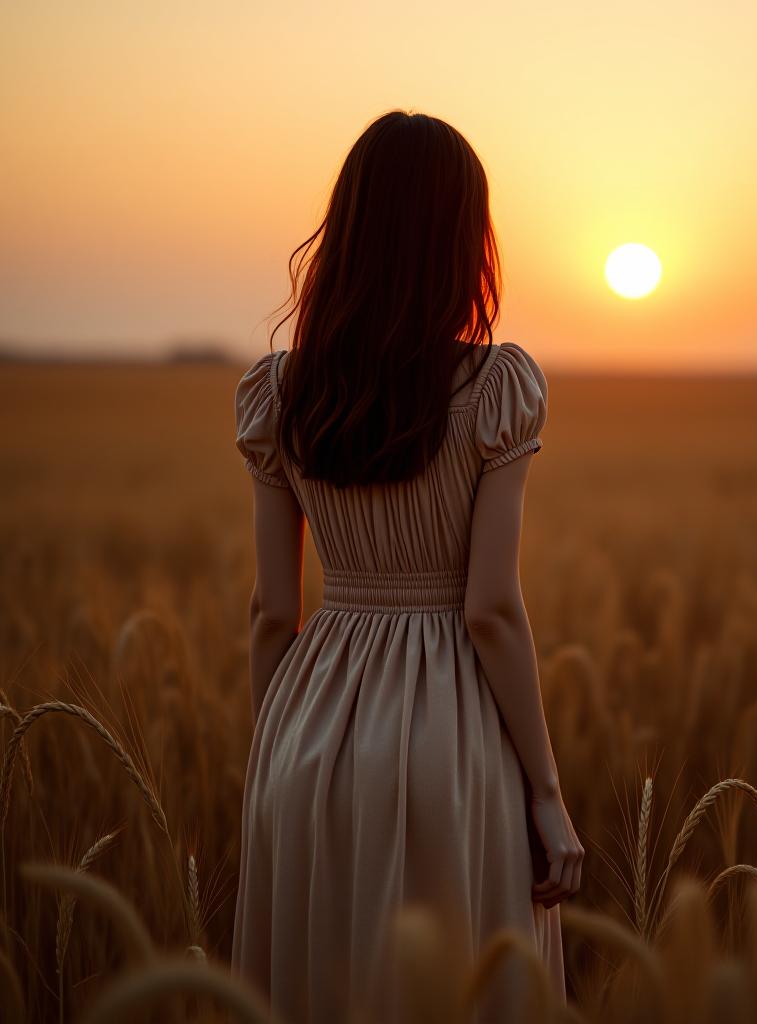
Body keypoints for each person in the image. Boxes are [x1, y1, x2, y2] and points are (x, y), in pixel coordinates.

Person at [230, 109, 583, 1024]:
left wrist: (275, 757)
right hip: (451, 734)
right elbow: (492, 610)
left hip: (309, 733)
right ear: (463, 239)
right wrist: (546, 794)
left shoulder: (280, 395)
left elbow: (273, 612)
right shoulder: (498, 387)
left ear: (348, 233)